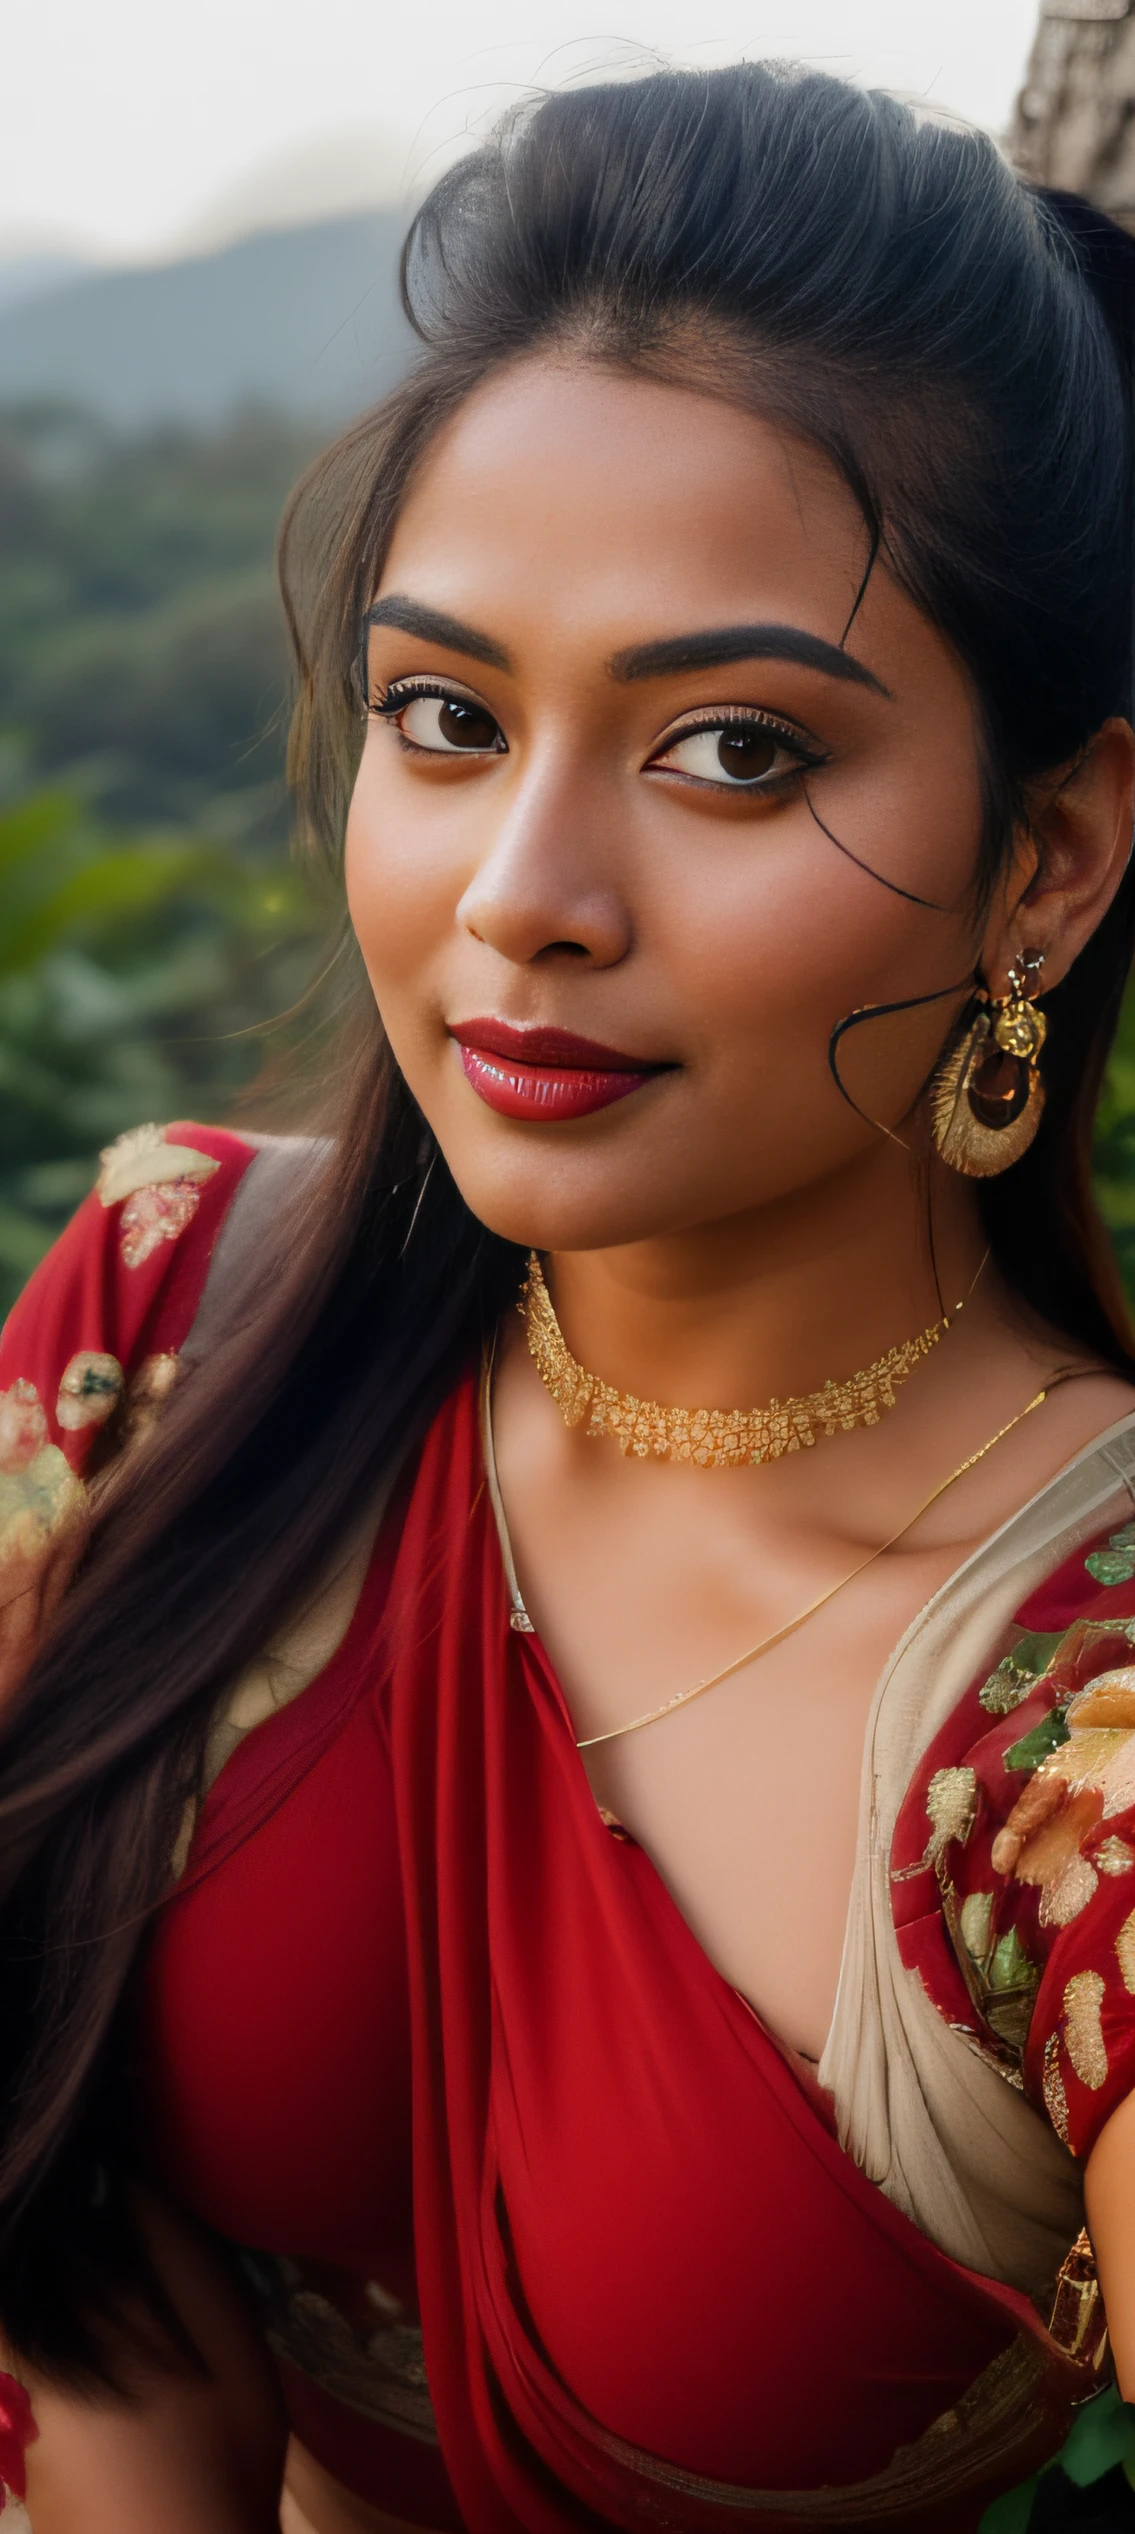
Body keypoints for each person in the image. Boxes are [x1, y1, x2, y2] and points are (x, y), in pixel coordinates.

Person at [4, 55, 1135, 2534]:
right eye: (446, 713)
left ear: (1046, 854)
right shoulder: (171, 1317)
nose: (526, 888)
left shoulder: (1080, 1743)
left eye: (733, 748)